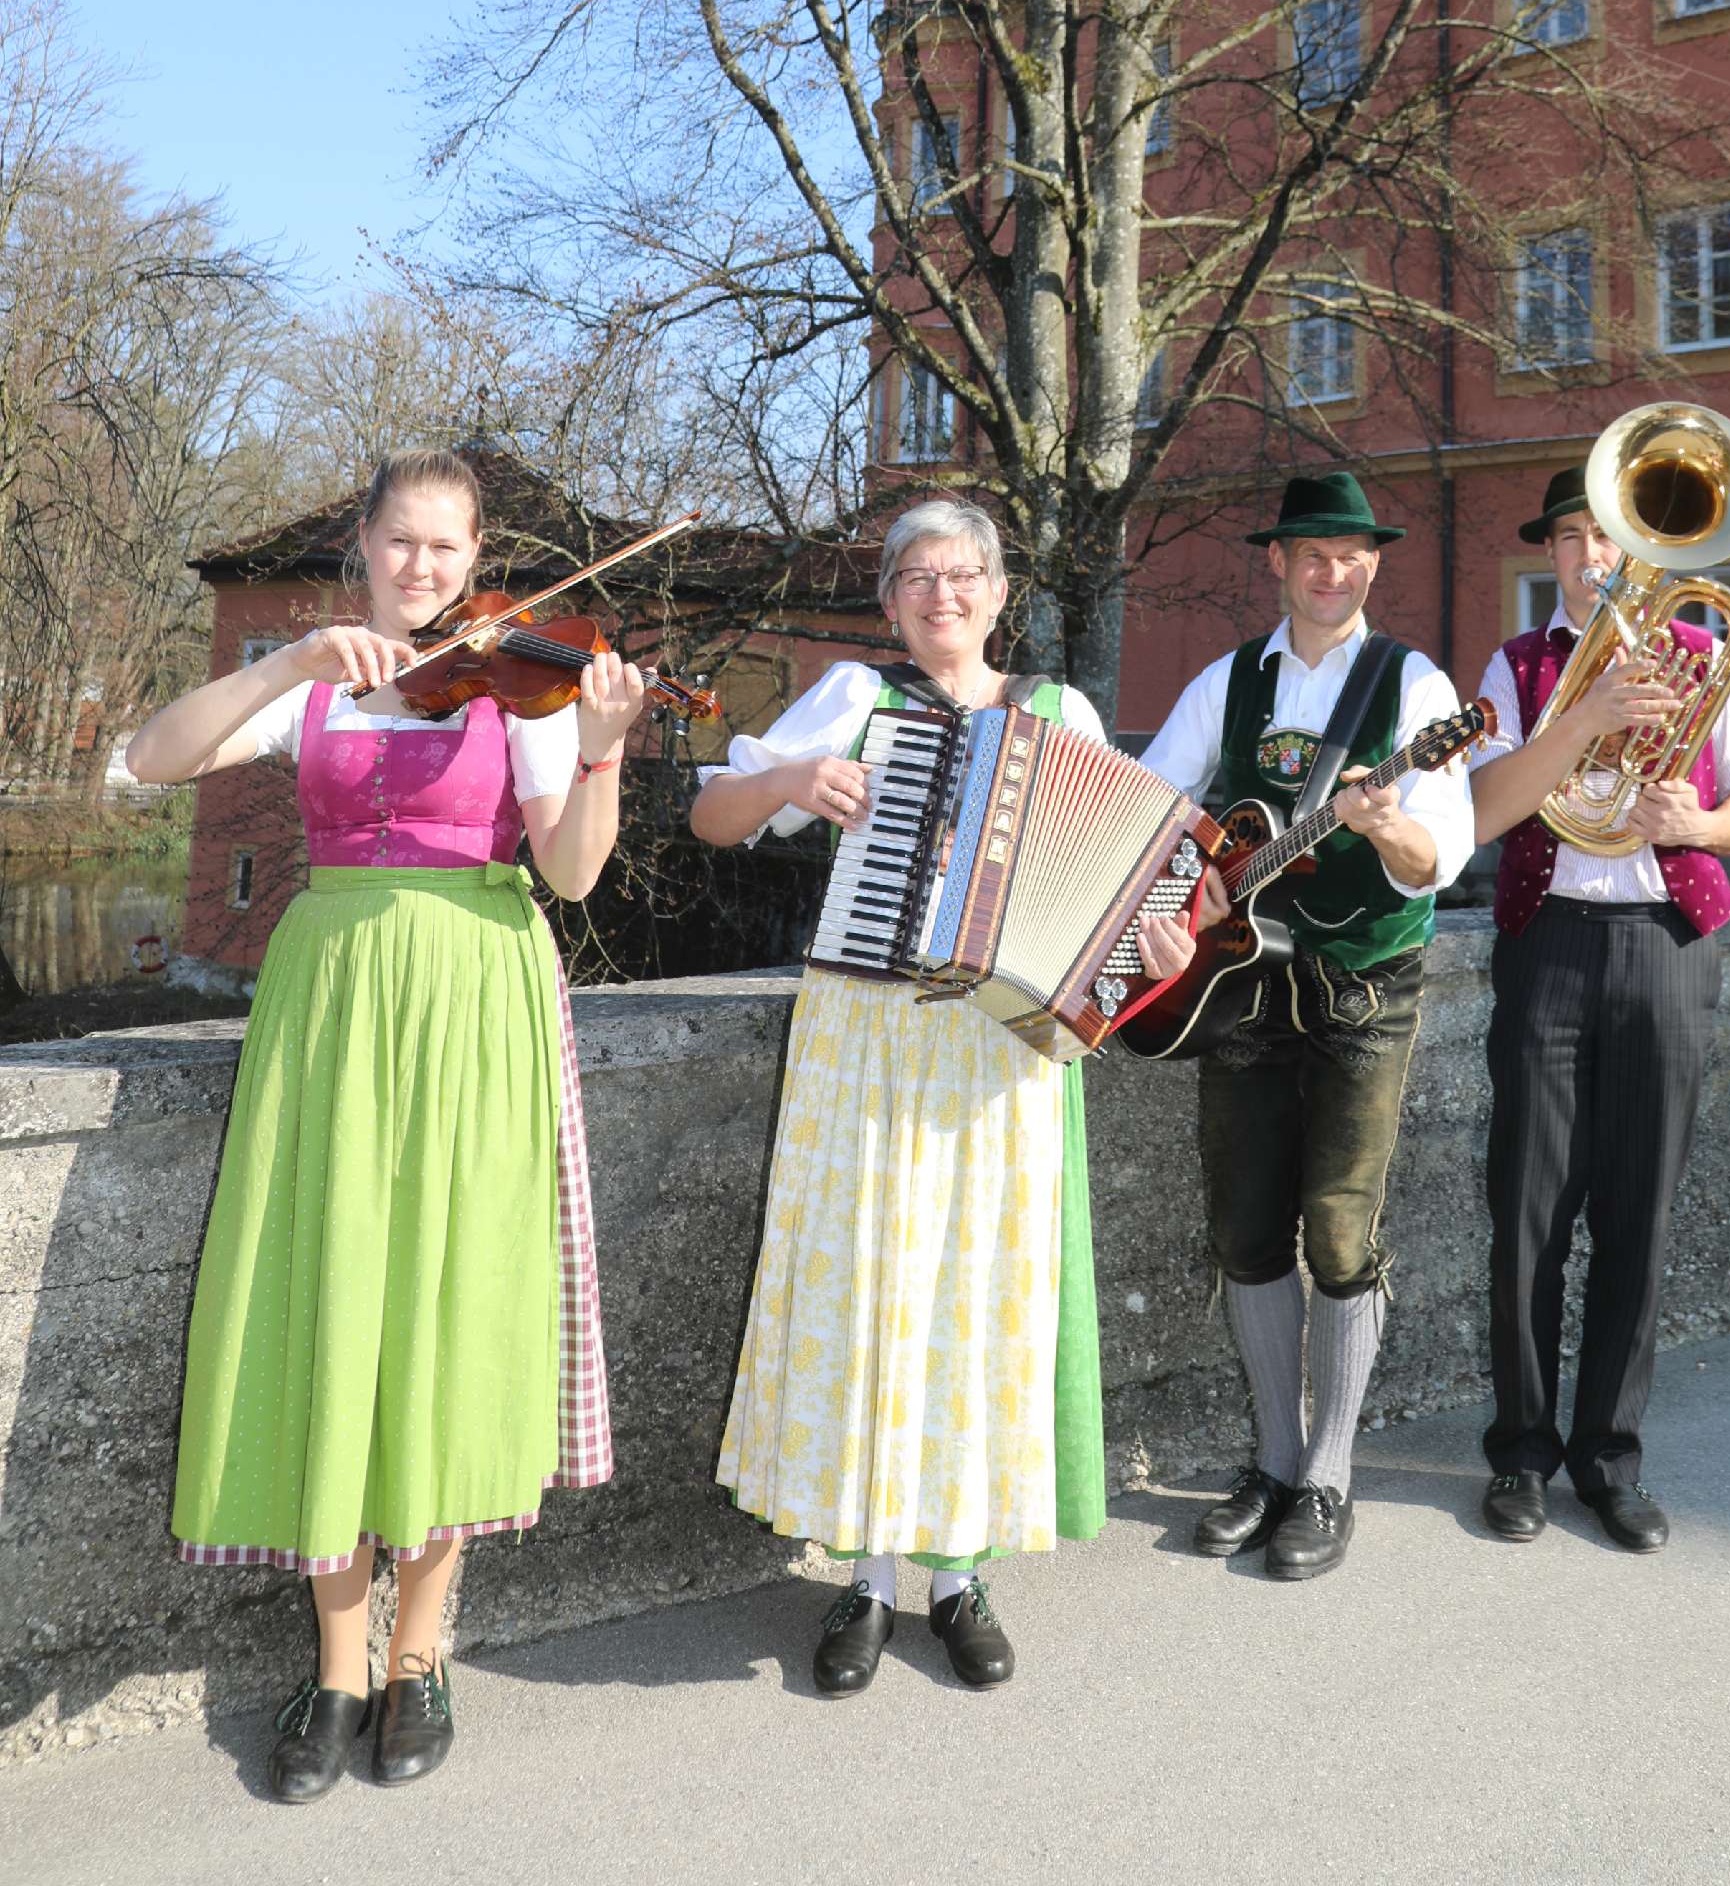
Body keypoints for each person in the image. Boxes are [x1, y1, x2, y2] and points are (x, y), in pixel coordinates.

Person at [126, 449, 645, 1803]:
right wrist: (291, 662)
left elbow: (571, 871)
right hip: (334, 1011)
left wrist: (599, 749)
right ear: (361, 544)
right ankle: (338, 1666)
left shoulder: (521, 688)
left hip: (478, 1006)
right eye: (401, 540)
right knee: (332, 1300)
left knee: (446, 1312)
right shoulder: (320, 685)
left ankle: (420, 1654)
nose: (422, 567)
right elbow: (149, 756)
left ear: (477, 562)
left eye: (446, 548)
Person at [695, 497, 1143, 1697]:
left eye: (964, 573)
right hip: (870, 1040)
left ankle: (958, 1578)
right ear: (890, 600)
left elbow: (1118, 885)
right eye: (918, 577)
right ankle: (868, 1577)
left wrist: (1125, 957)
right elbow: (712, 815)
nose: (943, 593)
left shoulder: (1063, 715)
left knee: (978, 1302)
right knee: (870, 1293)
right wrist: (795, 775)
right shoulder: (854, 698)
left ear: (1000, 592)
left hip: (999, 1054)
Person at [1133, 470, 1475, 1584]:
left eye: (1353, 555)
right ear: (1277, 563)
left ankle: (1329, 1473)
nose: (1334, 572)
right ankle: (1274, 1461)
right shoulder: (1229, 680)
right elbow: (1145, 806)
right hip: (1240, 984)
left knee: (1336, 1231)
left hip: (1365, 983)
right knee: (1243, 1229)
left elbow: (1440, 857)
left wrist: (1383, 826)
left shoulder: (1416, 685)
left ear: (1374, 565)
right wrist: (1188, 886)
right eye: (1313, 554)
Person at [1467, 463, 1730, 1555]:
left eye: (1605, 535)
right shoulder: (1515, 666)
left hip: (1666, 946)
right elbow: (1485, 809)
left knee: (1639, 1213)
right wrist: (1586, 715)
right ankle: (1520, 1453)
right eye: (1569, 537)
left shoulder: (1698, 653)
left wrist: (1696, 823)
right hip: (1548, 940)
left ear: (1638, 549)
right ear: (1548, 555)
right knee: (1528, 1212)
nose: (1590, 555)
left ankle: (1610, 1460)